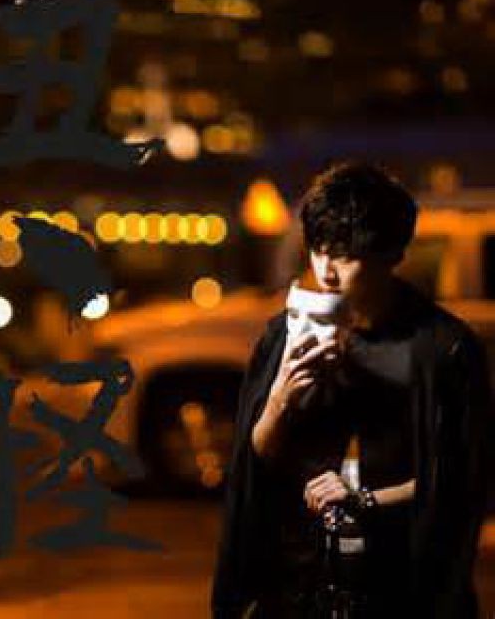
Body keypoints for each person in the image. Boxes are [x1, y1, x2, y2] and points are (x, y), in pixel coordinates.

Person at [210, 160, 492, 618]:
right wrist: (279, 400)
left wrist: (364, 499)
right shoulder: (284, 337)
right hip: (298, 589)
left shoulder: (443, 349)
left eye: (344, 255)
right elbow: (253, 468)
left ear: (392, 254)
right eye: (318, 250)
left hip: (400, 592)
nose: (326, 270)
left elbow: (460, 484)